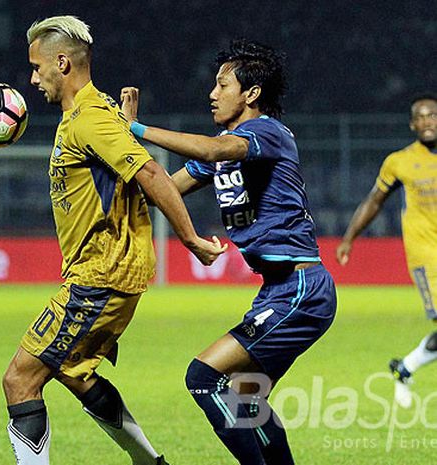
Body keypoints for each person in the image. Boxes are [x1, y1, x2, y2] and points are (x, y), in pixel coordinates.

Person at [3, 16, 227, 465]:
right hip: (104, 273)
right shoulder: (96, 113)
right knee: (74, 373)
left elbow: (149, 172)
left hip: (100, 275)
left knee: (19, 381)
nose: (32, 78)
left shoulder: (89, 119)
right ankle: (150, 462)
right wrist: (127, 123)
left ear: (61, 63)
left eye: (36, 67)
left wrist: (191, 240)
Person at [121, 39, 337, 465]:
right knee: (248, 399)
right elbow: (166, 190)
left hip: (301, 289)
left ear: (251, 94)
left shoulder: (266, 134)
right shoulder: (227, 146)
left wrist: (138, 128)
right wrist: (121, 154)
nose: (212, 94)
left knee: (204, 377)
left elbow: (213, 149)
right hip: (280, 290)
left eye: (222, 85)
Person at [336, 94, 437, 408]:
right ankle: (406, 367)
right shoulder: (400, 161)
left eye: (432, 114)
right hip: (426, 254)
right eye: (420, 117)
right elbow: (374, 201)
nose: (426, 121)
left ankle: (405, 367)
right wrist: (349, 237)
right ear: (412, 124)